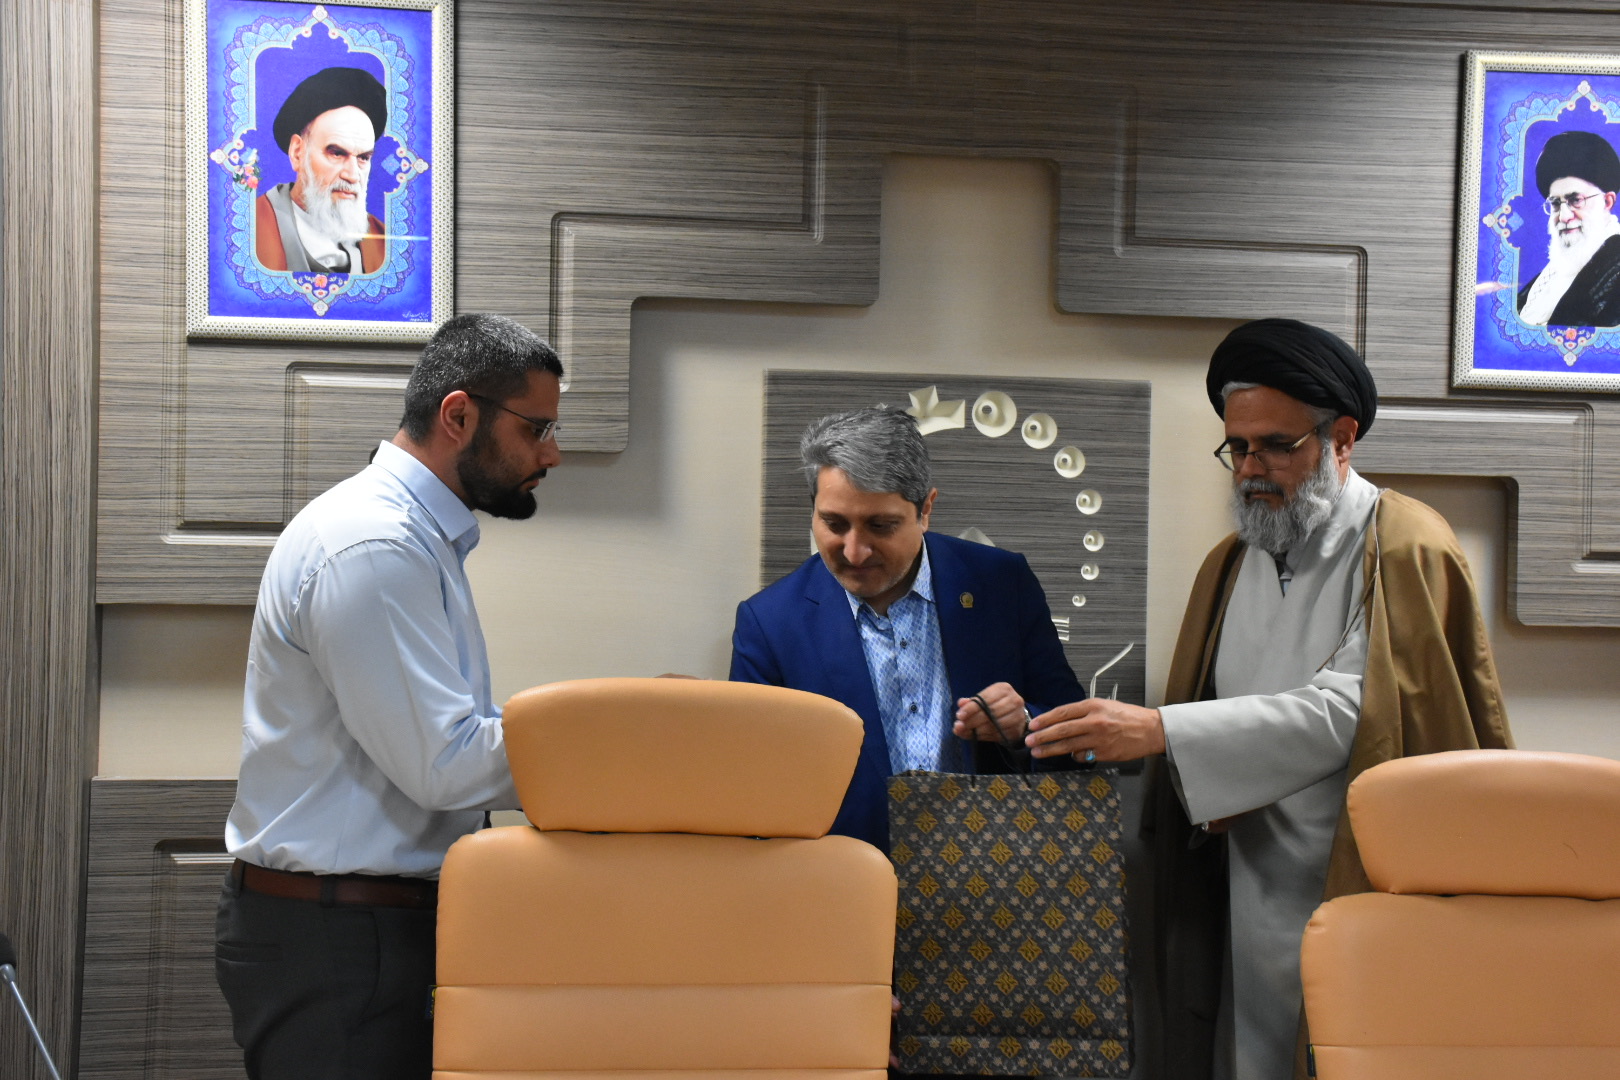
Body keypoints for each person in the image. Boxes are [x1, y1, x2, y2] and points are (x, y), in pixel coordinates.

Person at [1020, 320, 1512, 1080]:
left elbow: (1359, 710)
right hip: (1246, 873)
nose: (1251, 469)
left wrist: (1163, 731)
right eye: (1238, 448)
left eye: (1277, 446)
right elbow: (1223, 699)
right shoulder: (1232, 561)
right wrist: (1205, 778)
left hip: (1359, 876)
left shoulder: (1404, 544)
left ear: (1341, 439)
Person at [215, 313, 564, 1080]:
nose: (551, 453)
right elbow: (444, 764)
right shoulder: (372, 545)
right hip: (338, 938)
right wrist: (612, 742)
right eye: (536, 429)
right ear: (459, 416)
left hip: (359, 927)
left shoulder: (410, 537)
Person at [729, 406, 1085, 850]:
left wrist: (1024, 725)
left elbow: (1081, 739)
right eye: (834, 524)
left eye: (880, 526)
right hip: (839, 877)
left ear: (925, 510)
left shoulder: (1001, 583)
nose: (854, 552)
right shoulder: (769, 622)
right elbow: (751, 789)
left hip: (997, 866)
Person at [255, 66, 388, 274]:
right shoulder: (249, 228)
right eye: (337, 153)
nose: (353, 175)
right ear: (298, 153)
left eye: (363, 158)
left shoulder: (383, 242)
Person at [1518, 130, 1620, 327]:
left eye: (1576, 200)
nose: (1564, 216)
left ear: (1607, 202)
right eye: (1556, 203)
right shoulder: (1553, 272)